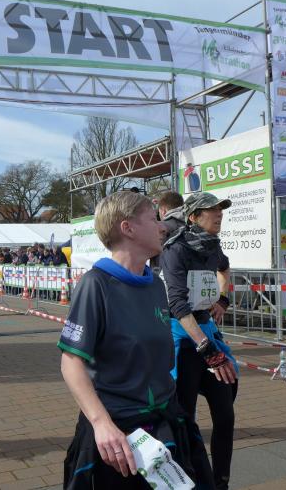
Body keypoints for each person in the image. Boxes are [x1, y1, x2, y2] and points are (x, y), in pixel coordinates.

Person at [60, 191, 214, 489]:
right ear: (127, 228)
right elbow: (70, 362)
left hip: (165, 421)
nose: (163, 226)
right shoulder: (96, 284)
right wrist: (101, 423)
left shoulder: (155, 285)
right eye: (153, 219)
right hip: (117, 433)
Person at [159, 192, 238, 490]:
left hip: (206, 330)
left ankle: (221, 482)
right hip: (183, 336)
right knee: (185, 419)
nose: (219, 214)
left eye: (220, 210)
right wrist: (207, 350)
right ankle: (189, 479)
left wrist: (223, 299)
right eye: (211, 210)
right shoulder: (175, 249)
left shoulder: (213, 245)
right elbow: (178, 305)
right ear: (193, 217)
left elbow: (224, 269)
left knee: (225, 415)